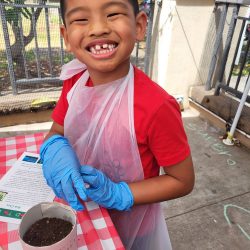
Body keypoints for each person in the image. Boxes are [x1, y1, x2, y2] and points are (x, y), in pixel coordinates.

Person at [40, 0, 195, 249]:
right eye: (81, 19)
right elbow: (57, 131)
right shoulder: (74, 81)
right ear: (66, 36)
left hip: (134, 225)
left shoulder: (157, 106)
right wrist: (55, 148)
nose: (98, 28)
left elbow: (182, 180)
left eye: (113, 13)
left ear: (139, 26)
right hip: (82, 212)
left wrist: (119, 194)